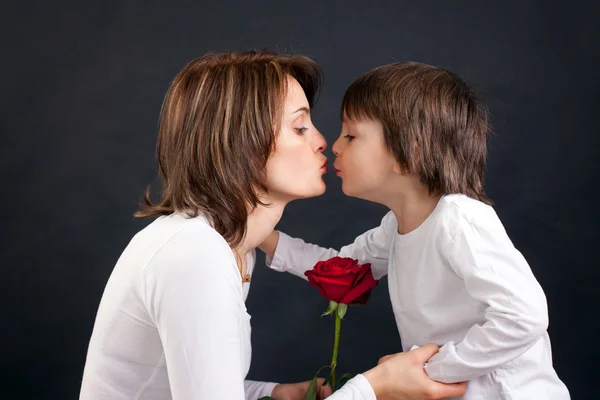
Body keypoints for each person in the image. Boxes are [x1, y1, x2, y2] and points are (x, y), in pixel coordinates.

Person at [79, 51, 467, 400]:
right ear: (241, 144)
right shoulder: (195, 255)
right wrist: (374, 388)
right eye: (300, 128)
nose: (323, 142)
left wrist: (271, 394)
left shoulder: (227, 248)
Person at [260, 62, 570, 399]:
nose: (334, 146)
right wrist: (262, 236)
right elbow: (340, 269)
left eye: (350, 135)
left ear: (410, 153)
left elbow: (523, 316)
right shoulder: (396, 225)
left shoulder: (458, 219)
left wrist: (430, 369)